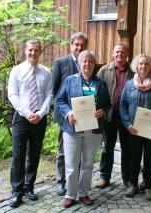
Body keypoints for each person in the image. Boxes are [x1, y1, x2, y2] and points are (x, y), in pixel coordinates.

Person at [56, 50, 111, 208]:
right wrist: (68, 113)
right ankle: (70, 194)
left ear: (94, 65)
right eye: (84, 61)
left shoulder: (101, 83)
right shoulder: (69, 81)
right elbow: (60, 100)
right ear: (79, 64)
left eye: (90, 62)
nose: (87, 64)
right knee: (72, 164)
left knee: (87, 164)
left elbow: (107, 104)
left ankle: (84, 193)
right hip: (73, 129)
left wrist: (103, 111)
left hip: (93, 130)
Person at [8, 40, 52, 208]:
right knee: (18, 154)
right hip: (21, 117)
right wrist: (27, 113)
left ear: (40, 53)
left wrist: (40, 114)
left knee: (34, 154)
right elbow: (12, 95)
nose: (33, 53)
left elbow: (49, 94)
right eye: (30, 50)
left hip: (39, 119)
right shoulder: (16, 71)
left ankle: (29, 187)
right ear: (25, 51)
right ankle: (17, 192)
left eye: (36, 50)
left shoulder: (46, 72)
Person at [120, 54, 151, 201]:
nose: (143, 66)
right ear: (136, 66)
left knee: (149, 157)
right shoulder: (129, 85)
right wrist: (127, 124)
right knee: (134, 157)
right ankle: (133, 185)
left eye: (146, 64)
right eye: (140, 64)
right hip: (133, 129)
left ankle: (148, 186)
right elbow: (123, 106)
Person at [52, 32, 88, 195]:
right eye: (76, 44)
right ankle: (60, 181)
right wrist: (67, 112)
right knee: (63, 150)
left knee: (80, 150)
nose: (79, 48)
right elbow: (55, 91)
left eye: (82, 45)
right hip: (66, 116)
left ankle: (76, 182)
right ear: (71, 45)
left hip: (85, 117)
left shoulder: (88, 63)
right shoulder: (60, 63)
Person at [95, 43, 134, 189]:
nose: (120, 55)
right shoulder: (104, 70)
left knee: (127, 148)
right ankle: (104, 177)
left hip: (126, 116)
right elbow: (96, 91)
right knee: (107, 147)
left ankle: (127, 178)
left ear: (127, 54)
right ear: (113, 53)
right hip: (109, 115)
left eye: (123, 52)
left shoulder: (133, 72)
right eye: (117, 52)